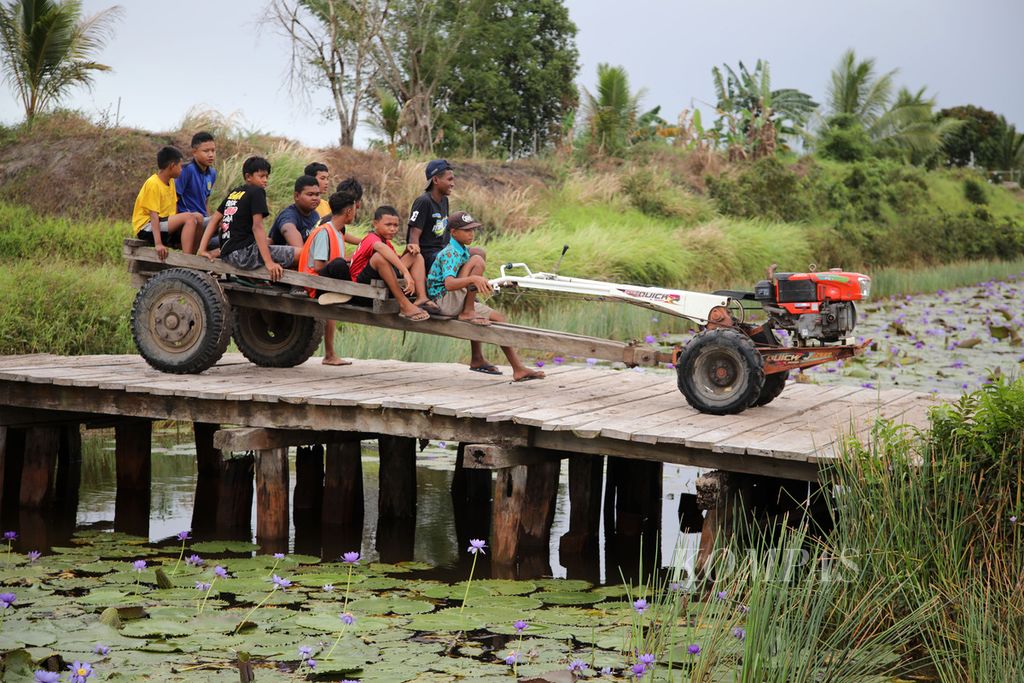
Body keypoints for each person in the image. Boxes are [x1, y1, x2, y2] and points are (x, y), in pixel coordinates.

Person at [427, 211, 545, 381]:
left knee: (499, 318)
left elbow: (464, 280)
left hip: (455, 298)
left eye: (473, 230)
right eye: (466, 230)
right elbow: (449, 284)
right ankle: (468, 311)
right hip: (444, 300)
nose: (471, 234)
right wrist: (474, 278)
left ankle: (518, 369)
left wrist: (494, 282)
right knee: (478, 261)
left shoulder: (462, 250)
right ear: (453, 232)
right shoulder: (450, 252)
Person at [197, 156, 297, 280]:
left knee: (269, 241)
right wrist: (269, 262)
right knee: (300, 254)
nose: (265, 180)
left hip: (229, 253)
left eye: (267, 176)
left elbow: (214, 219)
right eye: (261, 176)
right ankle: (295, 286)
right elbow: (257, 227)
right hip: (244, 255)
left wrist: (202, 249)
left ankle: (217, 252)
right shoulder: (257, 192)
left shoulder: (235, 193)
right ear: (248, 176)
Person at [298, 190, 364, 366]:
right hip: (315, 284)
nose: (354, 214)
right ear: (348, 211)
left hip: (327, 282)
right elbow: (319, 267)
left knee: (350, 264)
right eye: (354, 210)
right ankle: (350, 293)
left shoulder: (338, 232)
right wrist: (343, 263)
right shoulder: (324, 232)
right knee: (339, 265)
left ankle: (330, 354)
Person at [349, 205, 435, 322]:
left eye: (395, 225)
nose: (393, 229)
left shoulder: (387, 243)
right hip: (361, 286)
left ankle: (421, 297)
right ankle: (404, 304)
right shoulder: (371, 238)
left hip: (379, 277)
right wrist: (406, 272)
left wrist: (407, 250)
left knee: (416, 256)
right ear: (375, 224)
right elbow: (380, 248)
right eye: (388, 225)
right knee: (379, 257)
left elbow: (395, 261)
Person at [131, 145, 202, 259]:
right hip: (147, 227)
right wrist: (158, 243)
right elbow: (153, 215)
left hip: (163, 224)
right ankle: (187, 260)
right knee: (189, 217)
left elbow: (173, 209)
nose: (181, 169)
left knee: (198, 217)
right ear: (172, 166)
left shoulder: (171, 182)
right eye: (180, 166)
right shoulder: (153, 183)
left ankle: (192, 257)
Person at [407, 159, 453, 275]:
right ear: (436, 180)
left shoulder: (444, 201)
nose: (453, 184)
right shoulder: (424, 201)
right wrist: (418, 265)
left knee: (477, 253)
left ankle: (462, 291)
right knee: (450, 258)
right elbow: (413, 236)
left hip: (442, 252)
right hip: (428, 256)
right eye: (449, 179)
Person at [176, 131, 217, 231]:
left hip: (203, 220)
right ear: (194, 152)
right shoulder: (186, 170)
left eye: (213, 150)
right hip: (188, 221)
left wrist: (209, 219)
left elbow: (205, 201)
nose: (211, 154)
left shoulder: (212, 173)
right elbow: (174, 199)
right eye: (206, 151)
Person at [269, 175, 322, 248]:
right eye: (310, 194)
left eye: (317, 194)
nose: (315, 198)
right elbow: (287, 228)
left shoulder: (315, 214)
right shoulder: (288, 215)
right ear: (296, 196)